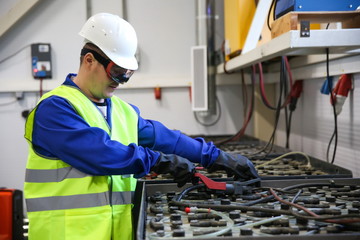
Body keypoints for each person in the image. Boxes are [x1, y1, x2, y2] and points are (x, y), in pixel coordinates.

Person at [23, 13, 258, 240]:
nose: (121, 82)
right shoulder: (54, 110)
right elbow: (101, 154)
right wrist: (158, 161)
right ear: (89, 60)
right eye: (116, 72)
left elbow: (165, 138)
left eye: (127, 74)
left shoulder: (122, 111)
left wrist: (216, 157)